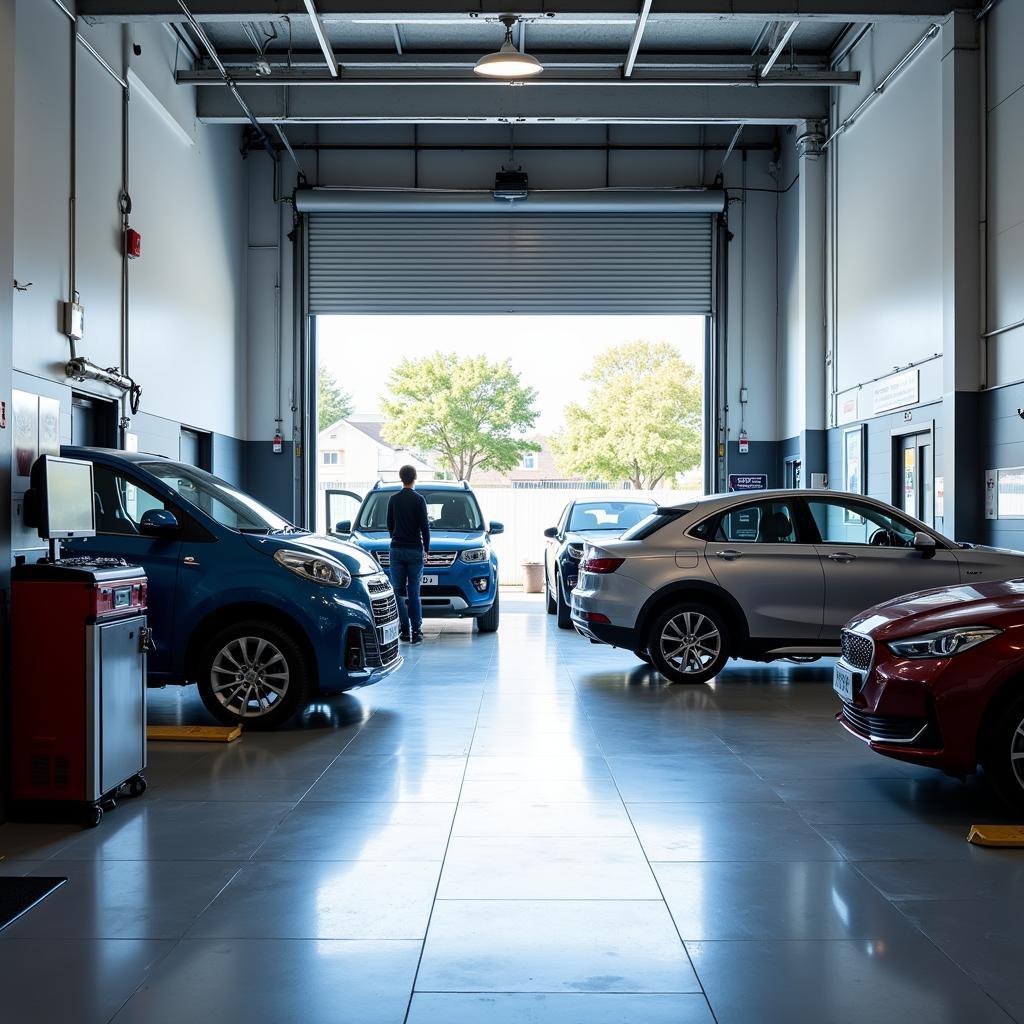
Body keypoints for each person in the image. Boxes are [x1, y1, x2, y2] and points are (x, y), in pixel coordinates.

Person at [387, 464, 430, 644]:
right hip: (414, 550)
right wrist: (426, 549)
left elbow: (390, 524)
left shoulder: (393, 499)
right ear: (414, 478)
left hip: (396, 549)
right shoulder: (419, 500)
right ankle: (416, 631)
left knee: (398, 591)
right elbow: (424, 527)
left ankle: (403, 630)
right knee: (414, 591)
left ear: (400, 477)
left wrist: (396, 539)